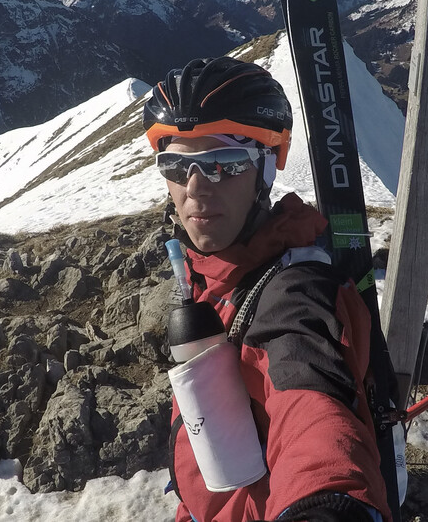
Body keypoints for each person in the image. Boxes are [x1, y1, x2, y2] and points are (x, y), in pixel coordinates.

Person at [145, 57, 390, 522]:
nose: (195, 188)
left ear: (266, 168)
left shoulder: (292, 292)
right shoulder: (218, 273)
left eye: (223, 164)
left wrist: (326, 505)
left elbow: (311, 406)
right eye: (176, 165)